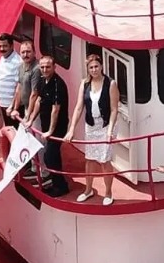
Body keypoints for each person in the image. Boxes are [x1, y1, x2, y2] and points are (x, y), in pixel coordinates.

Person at [60, 53, 120, 206]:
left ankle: (108, 192)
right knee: (90, 159)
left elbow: (114, 109)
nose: (94, 70)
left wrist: (109, 132)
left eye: (96, 66)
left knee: (104, 160)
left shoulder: (110, 84)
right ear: (88, 69)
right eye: (91, 67)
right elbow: (79, 107)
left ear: (101, 67)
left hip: (106, 125)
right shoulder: (85, 84)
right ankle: (88, 190)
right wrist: (71, 129)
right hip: (91, 126)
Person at [24, 55, 70, 196]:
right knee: (52, 156)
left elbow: (56, 109)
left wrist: (50, 130)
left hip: (57, 127)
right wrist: (31, 119)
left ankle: (61, 187)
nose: (44, 69)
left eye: (48, 67)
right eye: (42, 67)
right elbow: (39, 100)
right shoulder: (43, 80)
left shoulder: (58, 84)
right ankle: (56, 183)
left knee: (50, 157)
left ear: (54, 67)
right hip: (45, 125)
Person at [0, 39, 38, 161]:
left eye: (28, 52)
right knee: (25, 137)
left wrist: (28, 116)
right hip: (25, 108)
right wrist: (13, 108)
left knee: (35, 139)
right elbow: (19, 88)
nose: (26, 54)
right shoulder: (22, 67)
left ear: (34, 52)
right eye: (23, 52)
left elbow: (34, 94)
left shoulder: (36, 69)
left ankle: (41, 171)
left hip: (35, 111)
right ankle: (30, 166)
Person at [0, 34, 23, 128]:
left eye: (5, 46)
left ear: (11, 46)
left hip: (12, 107)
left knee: (15, 132)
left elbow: (19, 87)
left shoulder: (18, 62)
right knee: (9, 129)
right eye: (0, 46)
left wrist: (13, 106)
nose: (2, 49)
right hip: (3, 103)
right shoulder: (2, 58)